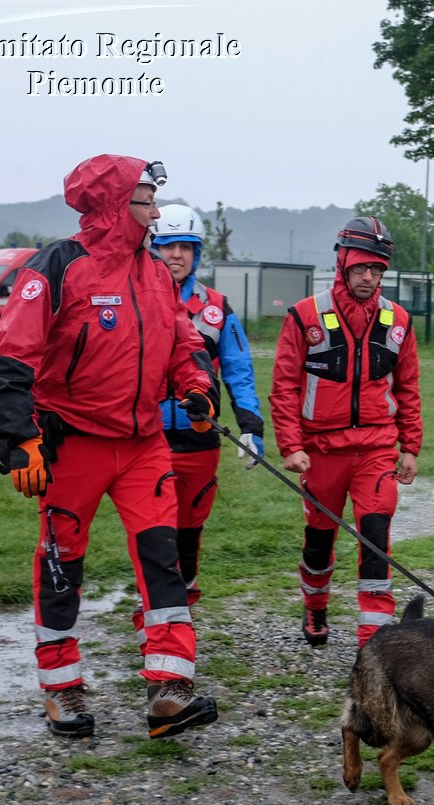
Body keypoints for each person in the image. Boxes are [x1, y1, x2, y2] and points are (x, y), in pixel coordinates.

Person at [0, 154, 221, 740]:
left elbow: (180, 342)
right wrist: (20, 440)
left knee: (163, 560)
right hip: (73, 445)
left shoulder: (154, 272)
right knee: (62, 567)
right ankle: (61, 688)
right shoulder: (56, 268)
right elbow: (12, 357)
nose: (156, 212)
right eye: (145, 201)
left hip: (144, 445)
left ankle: (169, 687)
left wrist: (196, 387)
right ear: (114, 204)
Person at [269, 217, 422, 647]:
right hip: (319, 453)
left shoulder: (399, 322)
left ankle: (374, 635)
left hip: (375, 449)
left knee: (375, 534)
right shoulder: (304, 317)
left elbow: (408, 388)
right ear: (343, 264)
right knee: (319, 540)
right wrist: (291, 445)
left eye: (376, 269)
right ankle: (315, 608)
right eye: (361, 268)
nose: (369, 277)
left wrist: (410, 447)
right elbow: (284, 386)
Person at [150, 203, 265, 606]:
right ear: (152, 248)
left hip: (200, 439)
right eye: (167, 246)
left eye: (185, 246)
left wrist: (251, 426)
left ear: (197, 253)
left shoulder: (218, 309)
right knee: (154, 527)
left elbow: (238, 371)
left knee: (189, 527)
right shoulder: (133, 301)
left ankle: (184, 602)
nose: (176, 255)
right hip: (146, 439)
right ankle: (154, 606)